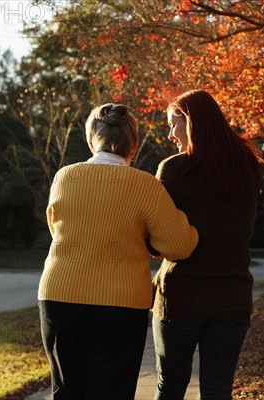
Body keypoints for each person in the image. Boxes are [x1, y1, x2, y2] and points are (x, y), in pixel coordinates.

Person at [38, 103, 199, 400]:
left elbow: (57, 229)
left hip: (59, 295)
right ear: (134, 145)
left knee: (68, 391)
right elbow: (181, 245)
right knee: (111, 392)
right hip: (121, 303)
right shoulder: (145, 185)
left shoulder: (64, 177)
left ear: (90, 141)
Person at [152, 90, 264, 400]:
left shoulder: (175, 170)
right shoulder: (247, 168)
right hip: (233, 297)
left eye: (173, 124)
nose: (171, 134)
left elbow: (156, 237)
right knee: (217, 391)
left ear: (190, 122)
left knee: (170, 388)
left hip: (180, 298)